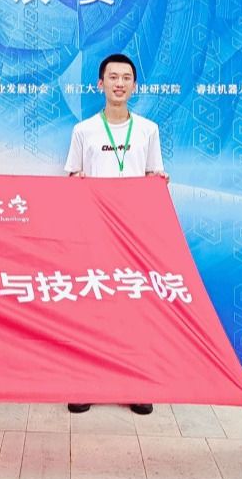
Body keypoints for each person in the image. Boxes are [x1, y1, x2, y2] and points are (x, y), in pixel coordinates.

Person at [63, 52, 168, 416]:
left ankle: (135, 384)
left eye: (126, 78)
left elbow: (154, 174)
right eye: (113, 77)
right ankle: (86, 382)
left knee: (134, 308)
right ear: (100, 84)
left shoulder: (148, 130)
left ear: (134, 85)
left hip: (135, 236)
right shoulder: (84, 130)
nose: (119, 83)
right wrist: (80, 186)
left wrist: (158, 182)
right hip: (93, 232)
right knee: (92, 307)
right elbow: (72, 177)